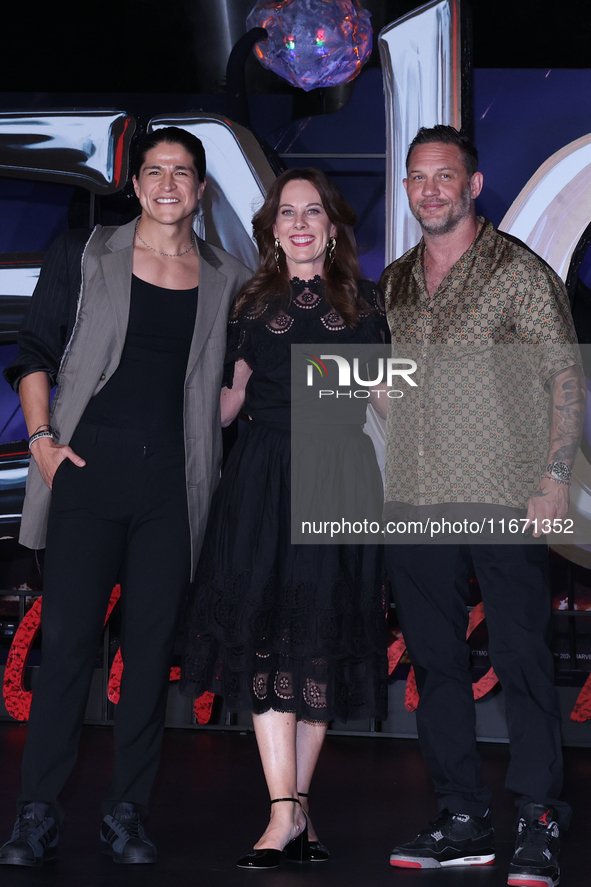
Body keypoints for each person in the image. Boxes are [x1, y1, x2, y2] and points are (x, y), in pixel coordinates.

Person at [0, 126, 251, 866]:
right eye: (153, 171)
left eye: (182, 171)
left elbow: (232, 378)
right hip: (87, 467)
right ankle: (35, 814)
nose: (167, 182)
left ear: (200, 190)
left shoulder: (227, 276)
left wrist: (236, 392)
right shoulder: (84, 253)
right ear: (135, 184)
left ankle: (126, 813)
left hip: (173, 482)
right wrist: (43, 442)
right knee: (70, 646)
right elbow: (35, 352)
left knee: (145, 657)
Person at [379, 125, 584, 887]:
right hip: (415, 495)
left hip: (504, 489)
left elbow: (563, 378)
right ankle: (461, 814)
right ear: (406, 190)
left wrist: (553, 476)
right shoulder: (396, 280)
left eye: (444, 176)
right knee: (434, 664)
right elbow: (392, 381)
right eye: (416, 178)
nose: (429, 189)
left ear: (472, 186)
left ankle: (536, 814)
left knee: (520, 657)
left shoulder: (518, 272)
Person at [181, 167, 389, 868]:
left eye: (312, 212)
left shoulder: (366, 301)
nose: (299, 223)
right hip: (265, 476)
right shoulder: (249, 299)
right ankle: (282, 811)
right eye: (286, 213)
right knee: (269, 641)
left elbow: (389, 399)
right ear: (273, 229)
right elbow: (230, 402)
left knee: (319, 643)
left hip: (339, 475)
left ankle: (296, 808)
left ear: (332, 225)